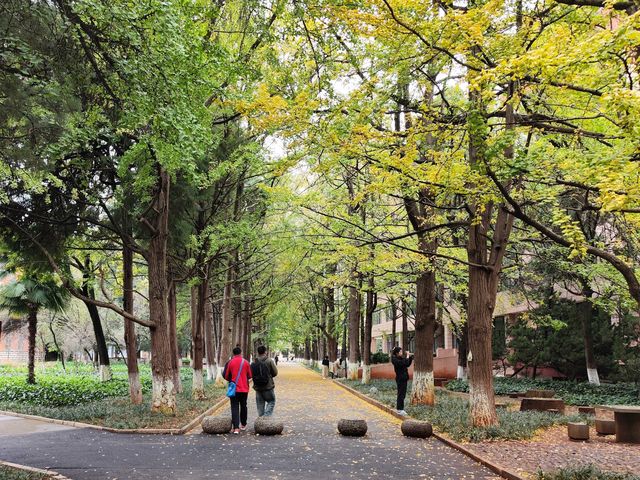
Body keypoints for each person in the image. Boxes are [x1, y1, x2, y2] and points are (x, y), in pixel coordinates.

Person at [222, 346, 252, 434]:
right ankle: (243, 424)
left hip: (234, 389)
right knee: (243, 405)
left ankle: (236, 428)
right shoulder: (246, 362)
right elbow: (250, 375)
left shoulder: (230, 362)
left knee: (234, 407)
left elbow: (226, 376)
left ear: (233, 353)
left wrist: (232, 379)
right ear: (240, 353)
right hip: (244, 389)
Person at [251, 345, 278, 417]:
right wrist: (268, 376)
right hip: (268, 386)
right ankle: (266, 418)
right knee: (271, 401)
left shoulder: (254, 361)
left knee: (260, 405)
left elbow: (251, 373)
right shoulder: (269, 360)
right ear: (265, 352)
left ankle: (260, 421)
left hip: (257, 387)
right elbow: (275, 373)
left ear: (258, 352)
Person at [391, 346, 414, 416]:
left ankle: (401, 409)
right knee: (401, 394)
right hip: (400, 378)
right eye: (400, 352)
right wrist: (407, 357)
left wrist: (409, 357)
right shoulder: (395, 360)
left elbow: (407, 364)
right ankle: (399, 409)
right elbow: (403, 363)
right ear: (397, 353)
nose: (401, 353)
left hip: (404, 378)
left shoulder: (400, 358)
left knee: (403, 394)